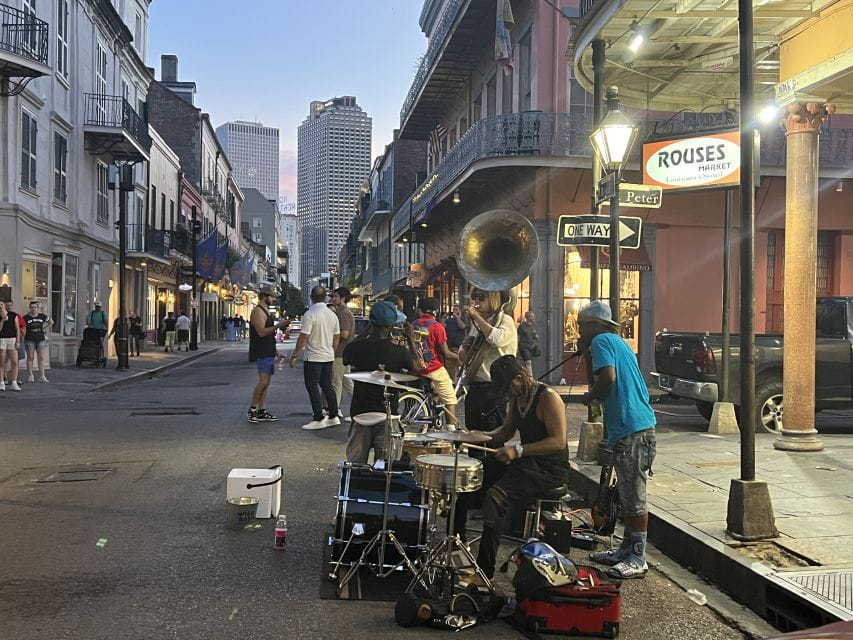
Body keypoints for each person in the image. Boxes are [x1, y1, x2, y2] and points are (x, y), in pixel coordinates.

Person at [454, 355, 570, 578]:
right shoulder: (518, 397)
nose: (507, 394)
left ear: (520, 377)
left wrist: (517, 450)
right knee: (473, 475)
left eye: (508, 388)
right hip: (526, 461)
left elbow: (558, 441)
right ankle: (457, 544)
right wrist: (476, 437)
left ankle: (484, 571)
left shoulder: (548, 397)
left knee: (495, 497)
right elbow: (505, 432)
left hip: (549, 469)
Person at [579, 300, 656, 579]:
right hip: (635, 426)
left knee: (634, 497)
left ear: (594, 325)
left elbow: (607, 378)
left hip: (631, 428)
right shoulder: (617, 342)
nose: (579, 331)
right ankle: (626, 550)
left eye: (581, 326)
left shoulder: (600, 341)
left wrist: (592, 396)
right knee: (626, 494)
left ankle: (638, 557)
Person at [342, 301, 416, 464]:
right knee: (386, 468)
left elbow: (347, 354)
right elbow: (417, 368)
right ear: (390, 326)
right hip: (387, 416)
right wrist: (410, 340)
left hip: (361, 414)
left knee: (355, 467)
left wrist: (367, 331)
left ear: (371, 322)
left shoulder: (356, 349)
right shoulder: (399, 352)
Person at [457, 287, 518, 430]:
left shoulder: (505, 320)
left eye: (481, 297)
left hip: (494, 387)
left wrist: (476, 317)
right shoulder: (478, 324)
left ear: (493, 299)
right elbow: (463, 358)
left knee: (492, 433)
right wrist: (465, 348)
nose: (476, 301)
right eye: (474, 297)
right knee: (473, 433)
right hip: (475, 385)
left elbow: (496, 339)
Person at [289, 286, 340, 430]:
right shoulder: (332, 315)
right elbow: (336, 336)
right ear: (325, 297)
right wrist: (332, 350)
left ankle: (318, 417)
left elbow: (304, 336)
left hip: (313, 356)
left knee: (312, 386)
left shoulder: (310, 314)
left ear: (311, 298)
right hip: (328, 355)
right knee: (327, 385)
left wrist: (295, 354)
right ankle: (333, 415)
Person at [413, 297, 459, 427]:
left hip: (417, 368)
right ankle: (451, 429)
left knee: (434, 393)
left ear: (419, 310)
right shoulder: (437, 326)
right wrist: (459, 358)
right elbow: (446, 353)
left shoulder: (413, 324)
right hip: (433, 368)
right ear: (436, 311)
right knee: (450, 398)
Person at [247, 285, 289, 423]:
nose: (273, 299)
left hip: (268, 350)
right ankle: (252, 409)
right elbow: (261, 332)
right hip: (261, 351)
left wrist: (277, 353)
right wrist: (278, 325)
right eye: (271, 296)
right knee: (263, 381)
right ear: (264, 296)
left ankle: (262, 410)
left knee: (266, 383)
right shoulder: (258, 312)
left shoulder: (265, 311)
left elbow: (269, 337)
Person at [330, 287, 355, 420]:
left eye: (336, 296)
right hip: (344, 352)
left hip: (339, 352)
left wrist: (332, 336)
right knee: (346, 382)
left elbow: (344, 334)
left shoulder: (343, 312)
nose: (333, 299)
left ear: (343, 298)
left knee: (336, 382)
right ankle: (360, 408)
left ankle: (335, 410)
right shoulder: (342, 312)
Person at [24, 301, 52, 383]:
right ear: (29, 308)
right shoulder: (25, 317)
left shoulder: (42, 316)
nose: (33, 309)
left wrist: (45, 328)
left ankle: (42, 376)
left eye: (35, 307)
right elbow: (23, 327)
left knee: (41, 358)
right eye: (32, 307)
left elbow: (51, 321)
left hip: (40, 339)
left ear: (38, 308)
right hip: (29, 339)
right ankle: (30, 375)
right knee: (30, 357)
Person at [0, 300, 22, 391]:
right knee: (1, 362)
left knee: (15, 361)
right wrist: (2, 320)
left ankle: (14, 382)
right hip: (2, 339)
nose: (0, 306)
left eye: (1, 304)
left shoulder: (13, 315)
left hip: (12, 339)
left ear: (4, 305)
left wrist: (18, 341)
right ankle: (1, 382)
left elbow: (17, 329)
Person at [443, 303, 467, 379]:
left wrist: (457, 317)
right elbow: (444, 327)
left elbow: (462, 326)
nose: (454, 311)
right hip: (449, 346)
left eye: (456, 310)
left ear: (460, 311)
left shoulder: (463, 319)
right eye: (453, 310)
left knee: (458, 366)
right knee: (450, 366)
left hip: (458, 346)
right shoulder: (449, 320)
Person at [517, 311, 540, 376]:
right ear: (527, 317)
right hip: (524, 347)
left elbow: (536, 336)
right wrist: (517, 348)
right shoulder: (522, 326)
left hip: (532, 347)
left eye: (533, 316)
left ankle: (525, 376)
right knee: (528, 362)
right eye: (531, 316)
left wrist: (536, 338)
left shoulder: (534, 326)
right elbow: (518, 336)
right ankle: (531, 378)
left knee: (527, 363)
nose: (533, 318)